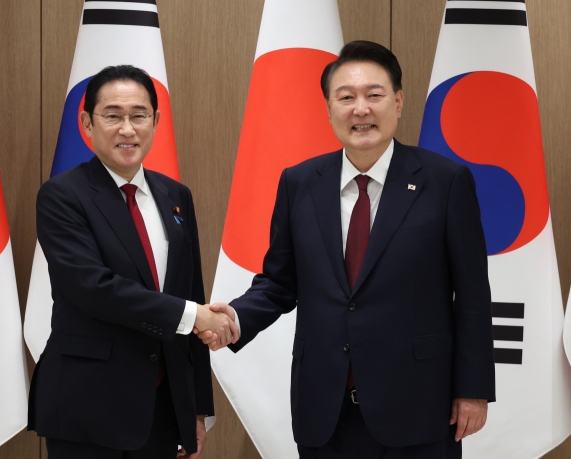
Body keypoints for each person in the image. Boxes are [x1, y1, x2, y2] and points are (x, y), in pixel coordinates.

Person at [199, 41, 495, 458]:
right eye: (346, 97)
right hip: (325, 410)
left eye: (374, 95)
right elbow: (280, 283)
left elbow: (472, 296)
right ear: (328, 108)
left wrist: (473, 389)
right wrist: (236, 318)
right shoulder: (299, 183)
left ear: (398, 101)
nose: (361, 109)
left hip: (418, 407)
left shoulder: (444, 182)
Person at [28, 65, 238, 459]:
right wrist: (195, 315)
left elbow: (191, 292)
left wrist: (194, 409)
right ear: (87, 123)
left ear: (155, 121)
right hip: (89, 403)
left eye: (139, 115)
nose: (128, 129)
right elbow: (93, 288)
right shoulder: (61, 196)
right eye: (113, 115)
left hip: (161, 406)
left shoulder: (176, 195)